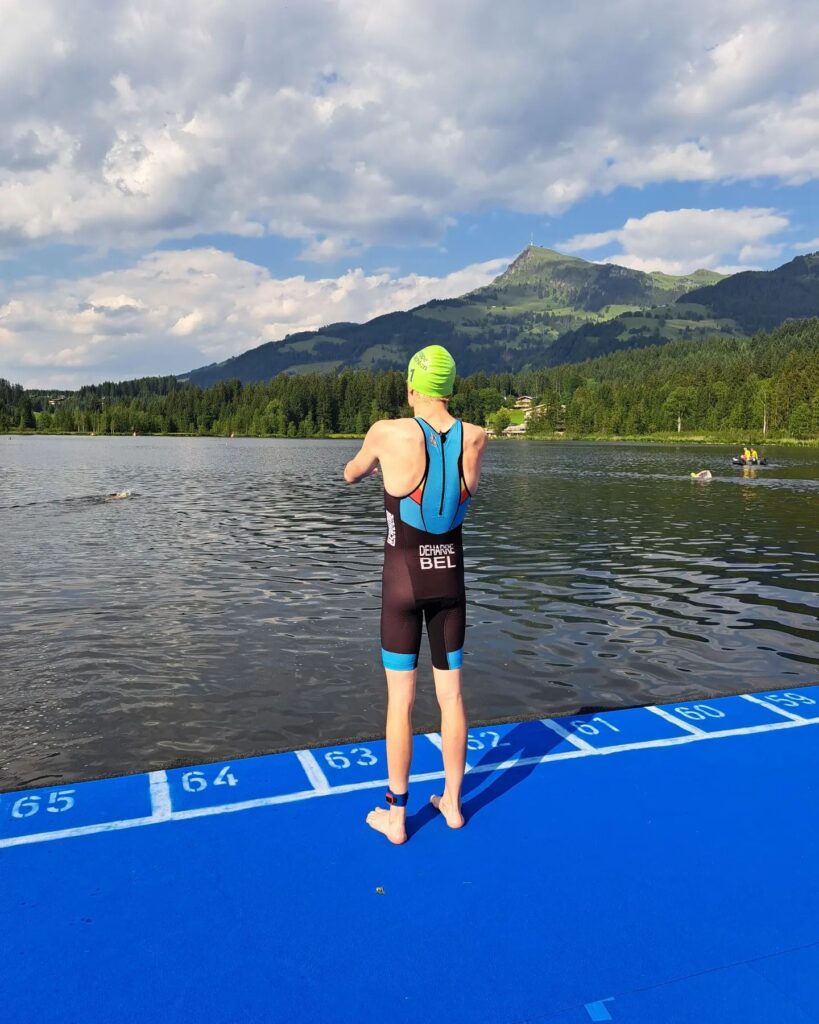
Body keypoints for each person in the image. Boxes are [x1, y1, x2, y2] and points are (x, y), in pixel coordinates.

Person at [343, 345, 488, 844]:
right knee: (451, 698)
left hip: (401, 586)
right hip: (450, 586)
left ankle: (397, 816)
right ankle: (452, 804)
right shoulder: (477, 437)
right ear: (450, 388)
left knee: (400, 703)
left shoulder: (388, 431)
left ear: (411, 387)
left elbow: (352, 472)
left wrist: (376, 465)